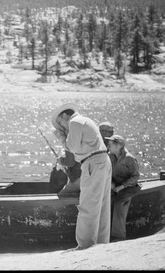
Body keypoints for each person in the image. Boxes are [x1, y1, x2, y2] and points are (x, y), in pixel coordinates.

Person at [51, 103, 112, 250]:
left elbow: (73, 148)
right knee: (102, 205)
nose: (63, 127)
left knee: (87, 205)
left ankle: (85, 245)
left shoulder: (75, 122)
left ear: (65, 116)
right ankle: (102, 243)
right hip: (103, 160)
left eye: (60, 123)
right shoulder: (86, 120)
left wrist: (61, 137)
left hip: (92, 163)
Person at [105, 135, 140, 241]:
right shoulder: (109, 156)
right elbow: (106, 171)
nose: (108, 146)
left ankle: (118, 237)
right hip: (115, 186)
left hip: (129, 187)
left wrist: (121, 186)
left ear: (118, 146)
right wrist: (111, 183)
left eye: (110, 144)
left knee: (119, 203)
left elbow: (136, 176)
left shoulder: (129, 159)